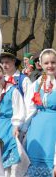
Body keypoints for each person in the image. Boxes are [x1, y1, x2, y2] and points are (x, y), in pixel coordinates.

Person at [0, 63, 28, 176]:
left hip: (8, 128)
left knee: (9, 162)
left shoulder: (12, 90)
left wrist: (16, 126)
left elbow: (19, 110)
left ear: (3, 72)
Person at [24, 48, 56, 177]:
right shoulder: (37, 84)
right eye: (46, 63)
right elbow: (29, 109)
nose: (50, 66)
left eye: (53, 62)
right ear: (41, 65)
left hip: (52, 132)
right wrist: (22, 128)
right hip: (36, 131)